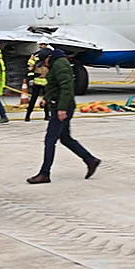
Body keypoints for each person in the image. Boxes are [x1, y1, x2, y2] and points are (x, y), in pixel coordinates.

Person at [27, 49, 100, 183]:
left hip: (62, 107)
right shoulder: (56, 63)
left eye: (45, 62)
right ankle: (90, 160)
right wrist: (47, 99)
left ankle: (44, 173)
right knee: (65, 138)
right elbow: (54, 86)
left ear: (49, 57)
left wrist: (62, 109)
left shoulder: (60, 64)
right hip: (58, 104)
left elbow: (67, 87)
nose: (45, 65)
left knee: (50, 140)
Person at [24, 39, 51, 122]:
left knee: (47, 99)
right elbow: (30, 65)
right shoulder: (35, 55)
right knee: (33, 99)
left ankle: (47, 115)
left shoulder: (50, 55)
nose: (41, 46)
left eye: (42, 44)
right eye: (40, 45)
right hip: (38, 79)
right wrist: (32, 74)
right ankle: (28, 116)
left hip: (46, 80)